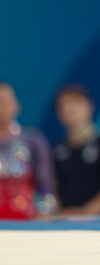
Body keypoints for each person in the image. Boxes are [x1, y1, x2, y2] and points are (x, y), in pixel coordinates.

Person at [53, 84, 100, 216]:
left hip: (95, 221)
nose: (70, 109)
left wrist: (86, 212)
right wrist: (59, 213)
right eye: (64, 106)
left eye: (76, 103)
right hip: (64, 221)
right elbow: (51, 187)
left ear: (89, 106)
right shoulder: (57, 148)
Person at [0, 81, 57, 219]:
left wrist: (45, 211)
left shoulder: (33, 140)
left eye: (4, 102)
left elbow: (46, 185)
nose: (1, 108)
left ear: (16, 105)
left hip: (26, 223)